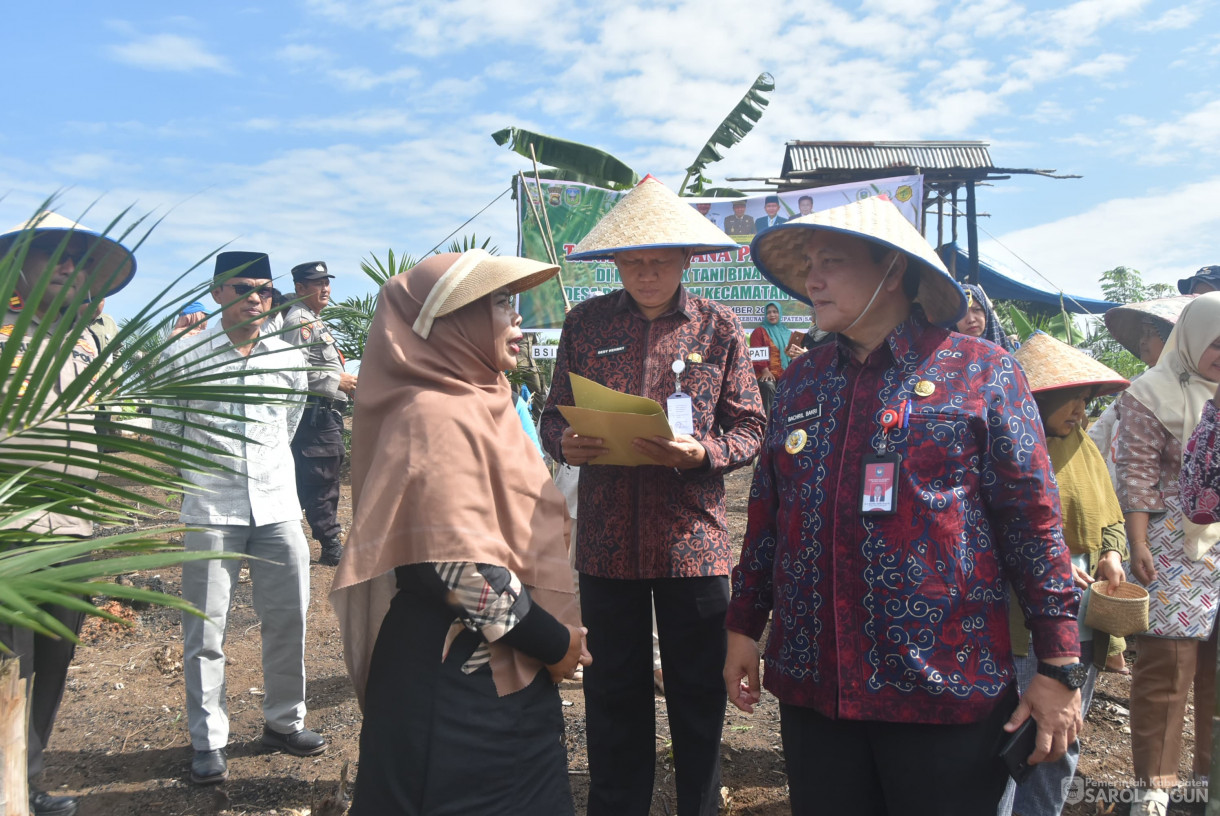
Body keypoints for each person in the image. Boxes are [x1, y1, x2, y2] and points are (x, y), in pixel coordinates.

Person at [724, 197, 1082, 816]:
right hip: (816, 688)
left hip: (942, 688)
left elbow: (1034, 525)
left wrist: (1059, 666)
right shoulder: (802, 381)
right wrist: (742, 627)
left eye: (831, 261)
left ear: (892, 271)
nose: (812, 279)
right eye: (808, 263)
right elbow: (767, 518)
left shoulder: (982, 373)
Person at [331, 249, 587, 815]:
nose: (518, 319)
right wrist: (556, 644)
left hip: (494, 666)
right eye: (501, 304)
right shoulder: (433, 414)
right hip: (455, 693)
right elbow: (450, 566)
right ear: (451, 322)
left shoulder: (483, 399)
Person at [540, 176, 765, 816]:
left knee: (698, 691)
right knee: (614, 690)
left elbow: (751, 426)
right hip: (607, 541)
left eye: (658, 261)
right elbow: (555, 414)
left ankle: (700, 802)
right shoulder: (585, 324)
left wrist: (704, 453)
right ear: (615, 264)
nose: (645, 274)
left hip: (692, 540)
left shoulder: (719, 327)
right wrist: (565, 443)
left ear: (685, 261)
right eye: (632, 261)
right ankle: (617, 805)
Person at [153, 251, 326, 786]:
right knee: (205, 628)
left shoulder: (286, 355)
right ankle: (208, 741)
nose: (258, 297)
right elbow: (167, 430)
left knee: (290, 617)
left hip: (277, 505)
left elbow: (291, 419)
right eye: (245, 288)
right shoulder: (187, 354)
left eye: (267, 290)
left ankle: (284, 722)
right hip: (212, 505)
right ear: (217, 293)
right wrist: (204, 478)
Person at [0, 211, 136, 816]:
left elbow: (118, 436)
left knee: (47, 669)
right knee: (8, 668)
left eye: (80, 261)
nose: (68, 269)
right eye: (52, 254)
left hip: (72, 531)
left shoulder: (87, 345)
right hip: (8, 538)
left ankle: (24, 785)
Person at [999, 332, 1130, 816]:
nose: (1080, 412)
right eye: (1071, 401)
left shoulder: (1083, 449)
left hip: (1079, 613)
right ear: (1040, 398)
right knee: (1014, 730)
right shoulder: (1007, 448)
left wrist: (1111, 554)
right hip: (1017, 615)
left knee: (1063, 731)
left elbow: (1109, 514)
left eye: (1085, 402)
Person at [1113, 291, 1220, 816]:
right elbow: (1135, 475)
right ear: (1195, 338)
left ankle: (1210, 780)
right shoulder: (1151, 392)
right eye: (1217, 343)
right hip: (1174, 544)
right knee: (1168, 666)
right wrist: (1136, 542)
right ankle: (1156, 784)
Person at [281, 261, 357, 566]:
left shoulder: (312, 318)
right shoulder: (300, 319)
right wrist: (335, 380)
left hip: (324, 415)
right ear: (300, 289)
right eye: (316, 283)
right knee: (320, 480)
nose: (325, 288)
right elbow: (289, 367)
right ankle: (330, 545)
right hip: (312, 417)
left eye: (327, 282)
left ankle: (307, 539)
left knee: (315, 480)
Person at [748, 301, 794, 415]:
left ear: (780, 314)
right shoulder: (759, 332)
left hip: (786, 373)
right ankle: (768, 426)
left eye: (775, 312)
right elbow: (756, 353)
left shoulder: (789, 333)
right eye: (768, 312)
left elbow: (794, 357)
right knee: (768, 385)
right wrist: (765, 371)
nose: (772, 315)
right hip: (765, 373)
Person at [955, 283, 1016, 351]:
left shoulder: (1009, 355)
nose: (971, 319)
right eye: (962, 313)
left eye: (977, 310)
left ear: (986, 313)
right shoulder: (944, 356)